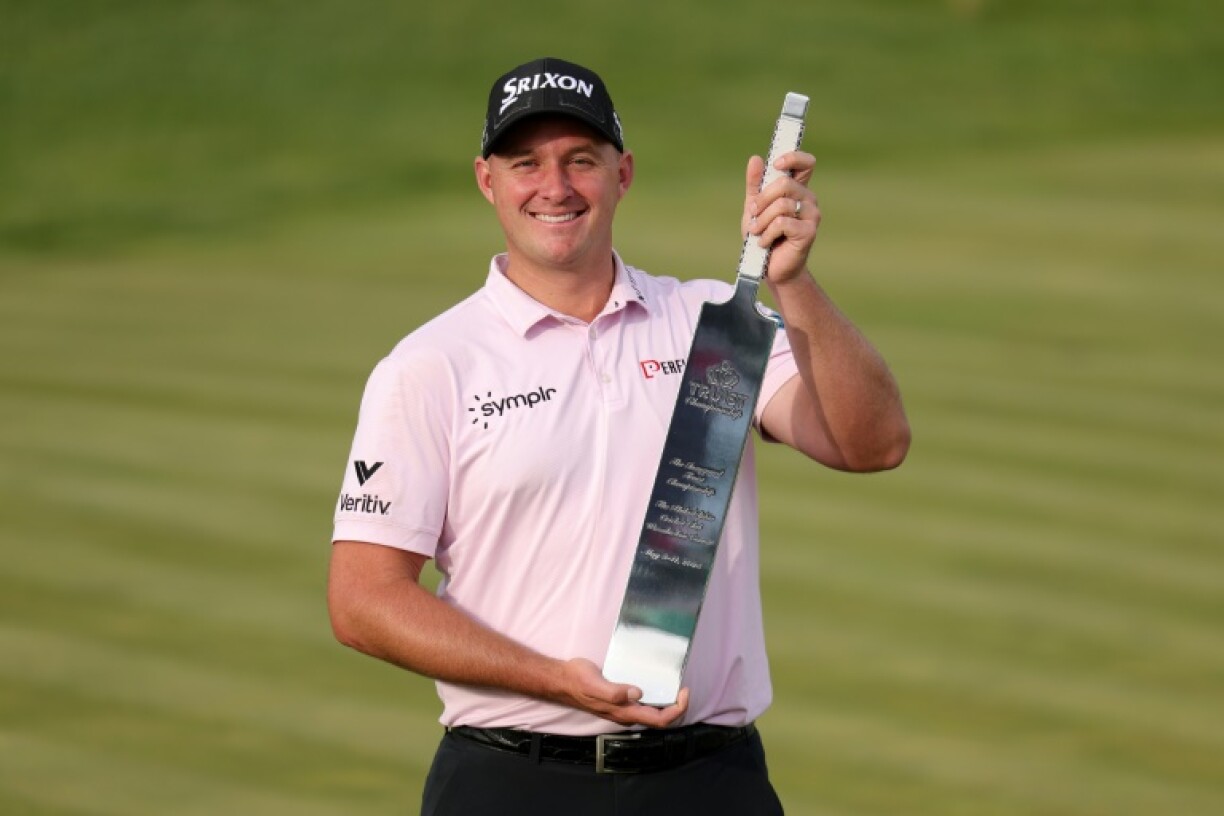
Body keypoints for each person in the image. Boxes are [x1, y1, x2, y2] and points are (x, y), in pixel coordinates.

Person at [328, 57, 910, 815]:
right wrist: (555, 681)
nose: (555, 187)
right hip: (512, 781)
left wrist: (792, 282)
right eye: (525, 163)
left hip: (710, 781)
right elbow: (362, 600)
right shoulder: (431, 366)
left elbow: (873, 443)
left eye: (581, 160)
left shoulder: (709, 323)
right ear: (486, 180)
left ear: (623, 173)